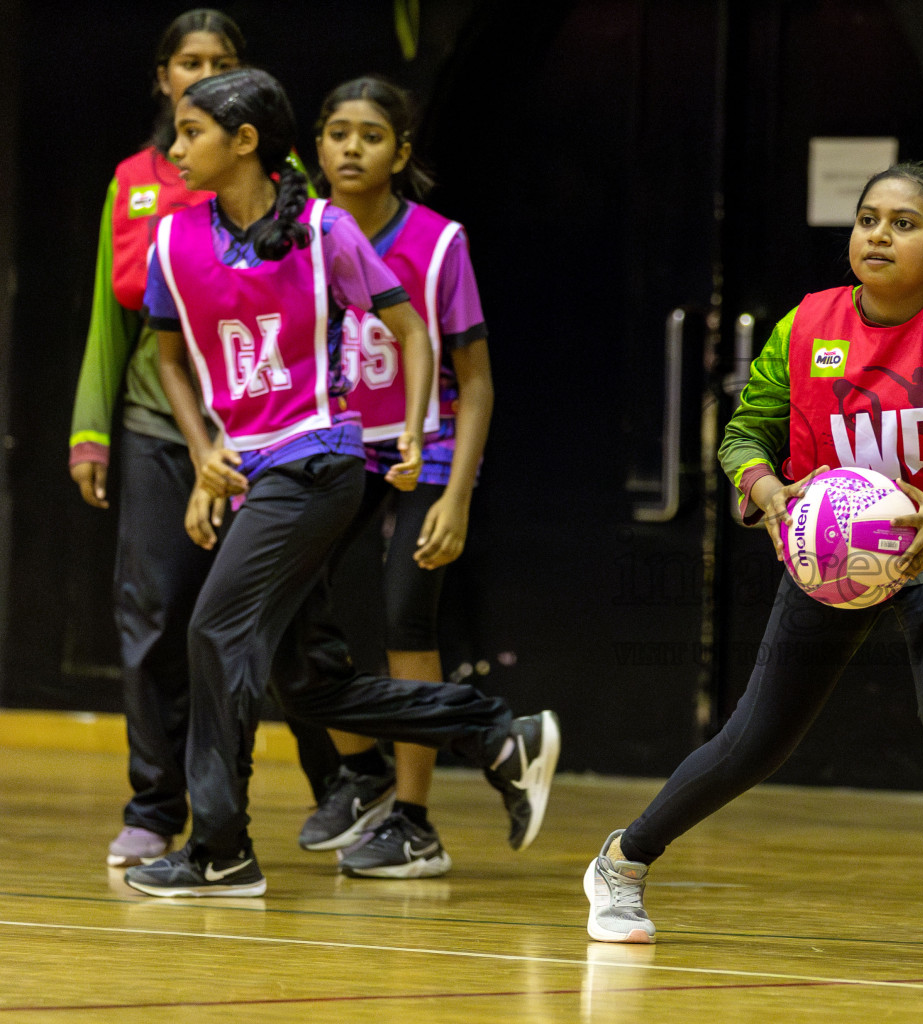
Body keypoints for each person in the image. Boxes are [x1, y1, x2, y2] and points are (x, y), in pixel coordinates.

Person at [581, 162, 923, 969]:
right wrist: (766, 488)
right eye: (867, 218)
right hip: (832, 551)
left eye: (903, 223)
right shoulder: (806, 327)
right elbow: (744, 433)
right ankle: (621, 862)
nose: (878, 234)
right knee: (759, 738)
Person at [121, 68, 557, 897]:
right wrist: (204, 451)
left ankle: (220, 849)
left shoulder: (326, 233)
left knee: (215, 633)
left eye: (190, 133)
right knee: (307, 680)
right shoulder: (176, 242)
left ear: (245, 143)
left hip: (318, 465)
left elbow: (411, 332)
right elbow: (169, 360)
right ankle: (497, 733)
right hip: (255, 469)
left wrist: (420, 436)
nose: (174, 149)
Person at [68, 7, 339, 869]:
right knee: (155, 623)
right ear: (163, 75)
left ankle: (337, 788)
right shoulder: (137, 180)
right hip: (159, 428)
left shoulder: (282, 180)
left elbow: (319, 307)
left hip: (269, 437)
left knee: (283, 630)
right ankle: (156, 805)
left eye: (219, 60)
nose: (199, 72)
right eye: (187, 61)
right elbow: (114, 324)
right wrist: (89, 429)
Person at [295, 75, 495, 879]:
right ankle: (361, 772)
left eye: (370, 135)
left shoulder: (439, 242)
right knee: (296, 608)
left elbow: (475, 380)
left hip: (429, 444)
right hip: (338, 439)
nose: (351, 147)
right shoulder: (302, 233)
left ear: (400, 152)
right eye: (337, 132)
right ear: (316, 145)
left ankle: (415, 821)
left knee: (408, 617)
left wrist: (456, 495)